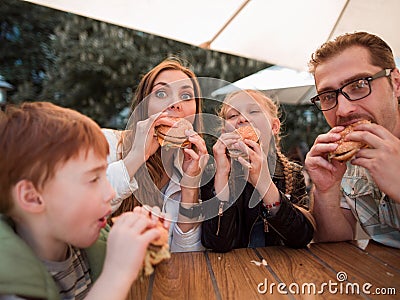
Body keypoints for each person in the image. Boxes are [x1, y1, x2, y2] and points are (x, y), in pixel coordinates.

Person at [0, 102, 168, 299]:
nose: (111, 193)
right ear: (32, 198)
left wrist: (141, 243)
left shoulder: (83, 241)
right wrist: (117, 273)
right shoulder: (11, 289)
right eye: (93, 179)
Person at [305, 31, 400, 248]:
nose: (344, 110)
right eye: (328, 96)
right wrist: (326, 191)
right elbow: (334, 240)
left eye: (358, 85)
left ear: (395, 83)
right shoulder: (345, 157)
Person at [103, 58, 208, 252]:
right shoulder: (107, 144)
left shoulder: (197, 166)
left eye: (186, 96)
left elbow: (185, 253)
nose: (176, 104)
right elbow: (82, 210)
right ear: (143, 106)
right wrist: (136, 156)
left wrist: (190, 185)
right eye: (161, 93)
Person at [201, 89, 315, 252]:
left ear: (274, 127)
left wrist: (264, 183)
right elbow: (217, 243)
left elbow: (301, 237)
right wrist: (221, 175)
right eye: (232, 116)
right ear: (224, 132)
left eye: (253, 111)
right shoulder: (212, 173)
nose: (242, 119)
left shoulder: (291, 173)